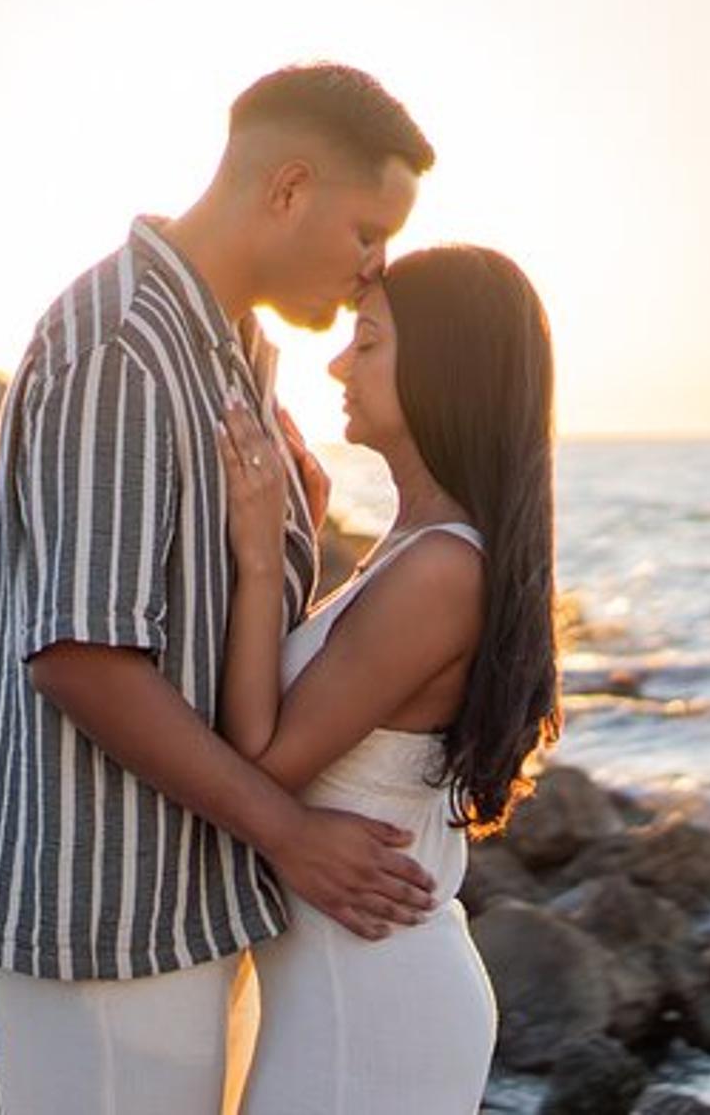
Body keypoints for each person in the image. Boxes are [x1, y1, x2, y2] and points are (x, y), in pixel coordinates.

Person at [0, 63, 441, 1114]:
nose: (370, 270)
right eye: (363, 232)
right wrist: (288, 834)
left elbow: (210, 637)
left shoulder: (235, 345)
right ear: (287, 187)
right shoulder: (123, 344)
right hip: (98, 912)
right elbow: (81, 659)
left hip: (195, 893)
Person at [212, 244, 561, 1114]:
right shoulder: (413, 550)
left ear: (445, 370)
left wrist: (261, 560)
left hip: (369, 1003)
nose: (338, 362)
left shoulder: (443, 569)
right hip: (348, 989)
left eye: (367, 342)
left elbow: (257, 763)